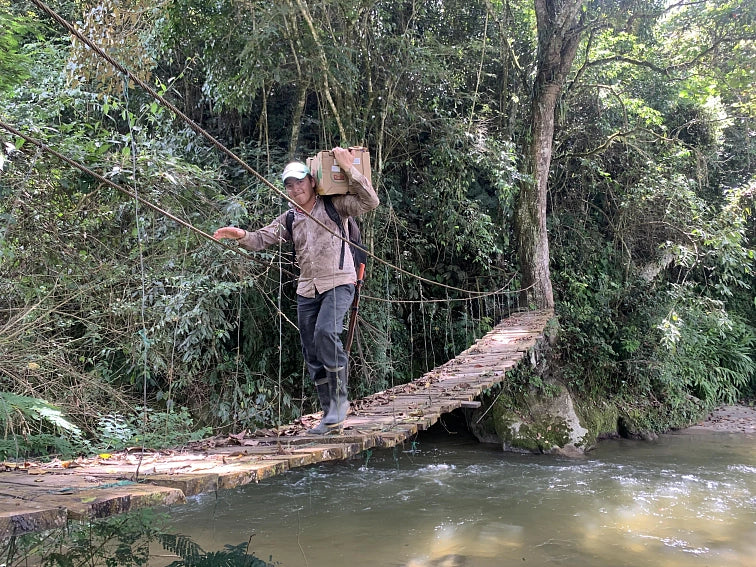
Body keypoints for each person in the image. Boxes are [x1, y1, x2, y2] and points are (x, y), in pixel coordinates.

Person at [213, 147, 379, 434]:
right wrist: (239, 235)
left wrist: (346, 168)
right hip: (307, 289)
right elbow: (260, 239)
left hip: (339, 281)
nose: (295, 188)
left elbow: (370, 200)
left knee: (326, 333)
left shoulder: (334, 206)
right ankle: (330, 414)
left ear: (312, 182)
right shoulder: (290, 218)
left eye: (300, 181)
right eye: (290, 184)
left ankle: (340, 403)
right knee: (311, 350)